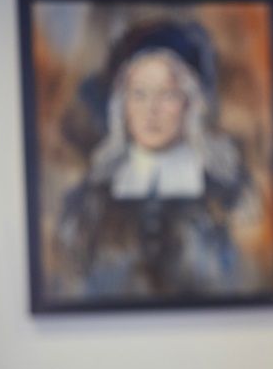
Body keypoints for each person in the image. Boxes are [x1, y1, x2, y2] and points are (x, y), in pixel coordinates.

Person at [56, 22, 260, 299]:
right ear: (121, 105)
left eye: (167, 95)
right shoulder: (89, 201)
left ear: (190, 103)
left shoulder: (230, 194)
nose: (151, 111)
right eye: (139, 94)